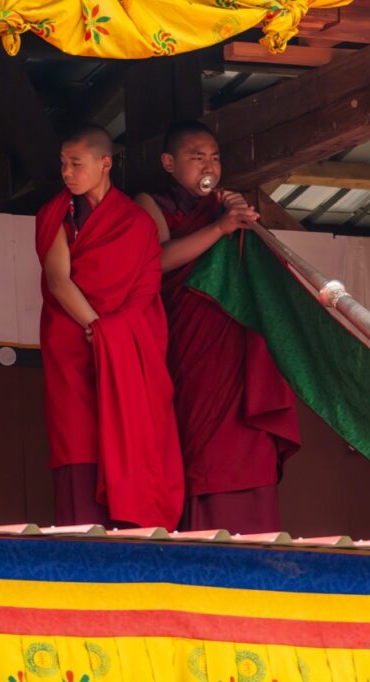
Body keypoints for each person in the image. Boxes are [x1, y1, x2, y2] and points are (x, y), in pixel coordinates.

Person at [135, 121, 299, 534]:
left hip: (237, 340)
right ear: (169, 163)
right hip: (192, 343)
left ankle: (260, 539)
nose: (208, 165)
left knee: (248, 437)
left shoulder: (228, 206)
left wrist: (238, 220)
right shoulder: (149, 203)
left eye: (214, 157)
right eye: (196, 157)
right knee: (204, 446)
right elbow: (154, 263)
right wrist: (220, 228)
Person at [36, 125, 183, 529]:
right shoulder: (56, 215)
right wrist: (97, 328)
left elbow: (146, 289)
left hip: (123, 344)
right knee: (78, 441)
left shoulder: (137, 223)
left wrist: (111, 335)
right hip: (73, 343)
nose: (67, 172)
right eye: (63, 164)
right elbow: (59, 281)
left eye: (76, 163)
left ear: (105, 163)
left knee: (130, 440)